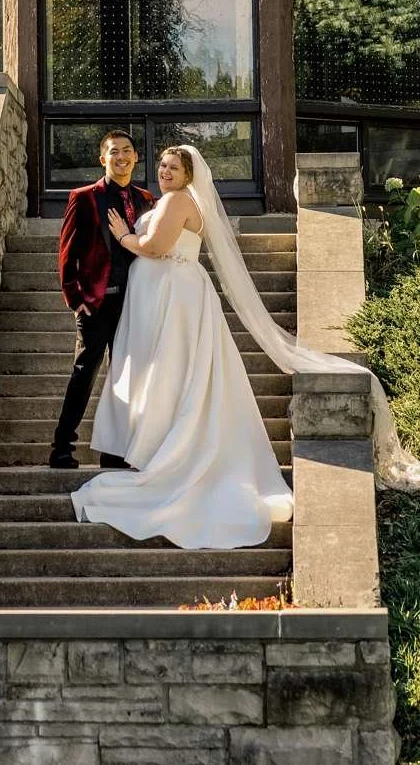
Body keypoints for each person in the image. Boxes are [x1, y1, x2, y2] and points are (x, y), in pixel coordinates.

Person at [70, 143, 294, 547]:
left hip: (172, 297)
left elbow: (155, 247)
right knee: (172, 374)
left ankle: (163, 451)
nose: (165, 172)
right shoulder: (182, 199)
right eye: (162, 166)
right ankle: (155, 443)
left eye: (173, 167)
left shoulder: (176, 200)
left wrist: (123, 236)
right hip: (172, 294)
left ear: (190, 174)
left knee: (169, 372)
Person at [51, 129, 146, 470]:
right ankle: (62, 447)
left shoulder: (145, 198)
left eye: (127, 151)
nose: (121, 157)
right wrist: (76, 298)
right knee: (84, 372)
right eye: (113, 152)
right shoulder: (84, 197)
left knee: (127, 376)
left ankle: (115, 451)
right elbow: (67, 251)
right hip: (97, 302)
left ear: (136, 157)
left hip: (136, 303)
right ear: (102, 158)